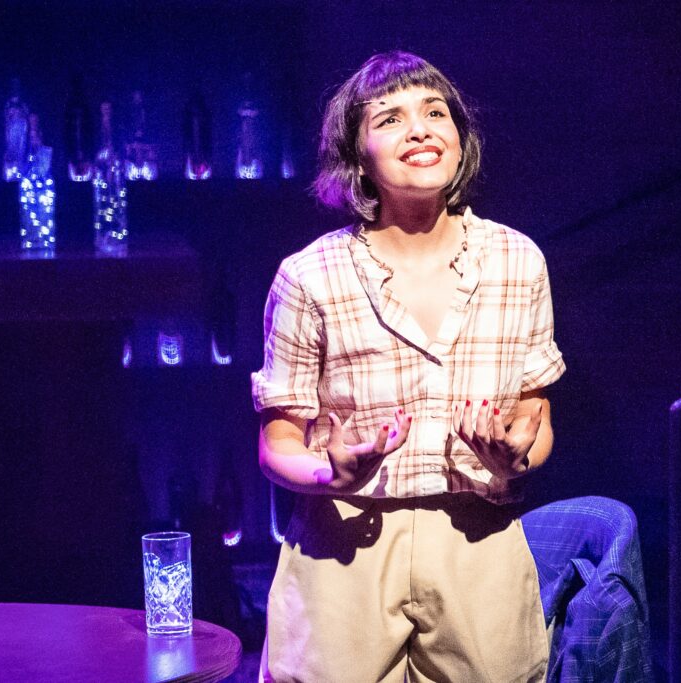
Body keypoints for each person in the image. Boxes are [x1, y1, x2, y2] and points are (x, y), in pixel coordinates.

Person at [252, 51, 565, 682]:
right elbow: (277, 439)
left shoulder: (517, 260)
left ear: (458, 137)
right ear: (357, 154)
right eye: (390, 117)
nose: (420, 128)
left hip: (479, 541)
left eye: (435, 111)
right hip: (345, 545)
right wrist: (325, 472)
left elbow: (536, 412)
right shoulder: (310, 275)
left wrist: (518, 457)